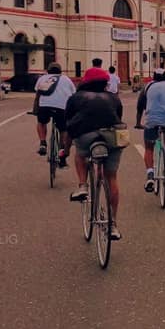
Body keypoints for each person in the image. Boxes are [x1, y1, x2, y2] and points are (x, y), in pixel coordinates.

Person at [65, 67, 124, 239]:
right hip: (113, 137)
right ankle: (113, 224)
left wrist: (65, 150)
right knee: (111, 177)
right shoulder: (114, 98)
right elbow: (118, 117)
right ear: (105, 83)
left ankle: (83, 185)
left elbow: (69, 126)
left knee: (80, 155)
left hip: (86, 137)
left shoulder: (75, 98)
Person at [135, 68, 165, 193]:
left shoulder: (147, 87)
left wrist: (138, 123)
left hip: (152, 120)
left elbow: (140, 106)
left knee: (149, 148)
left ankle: (150, 175)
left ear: (153, 77)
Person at [32, 62, 76, 166]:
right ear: (60, 71)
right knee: (63, 129)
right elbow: (73, 94)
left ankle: (42, 143)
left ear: (48, 70)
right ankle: (62, 151)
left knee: (41, 122)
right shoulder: (66, 79)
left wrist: (36, 109)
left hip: (44, 107)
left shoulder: (42, 78)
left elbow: (37, 93)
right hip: (61, 108)